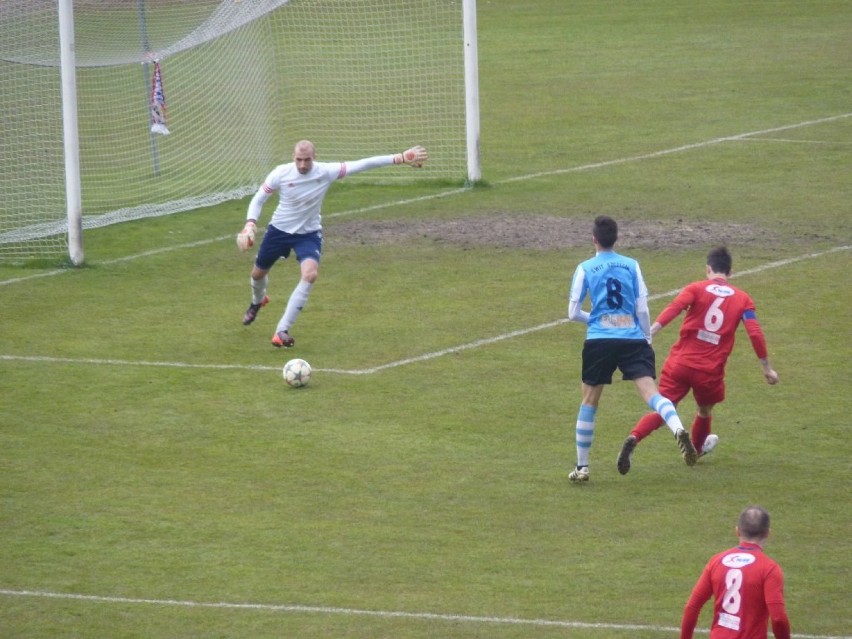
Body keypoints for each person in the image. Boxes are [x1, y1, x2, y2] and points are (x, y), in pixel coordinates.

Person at [236, 140, 428, 347]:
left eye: (307, 160)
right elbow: (258, 199)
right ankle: (258, 302)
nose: (302, 165)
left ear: (314, 157)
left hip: (308, 234)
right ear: (293, 157)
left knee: (310, 274)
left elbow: (362, 164)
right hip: (278, 232)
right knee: (257, 274)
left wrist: (399, 158)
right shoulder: (280, 173)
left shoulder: (326, 171)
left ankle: (281, 330)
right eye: (299, 160)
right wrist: (250, 225)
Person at [616, 246, 778, 475]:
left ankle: (634, 437)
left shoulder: (695, 288)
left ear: (708, 269)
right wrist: (766, 368)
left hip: (679, 363)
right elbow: (754, 332)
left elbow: (675, 308)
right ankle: (696, 451)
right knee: (704, 410)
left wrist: (650, 332)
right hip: (709, 371)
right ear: (730, 273)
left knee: (665, 408)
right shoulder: (743, 299)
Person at [566, 215, 697, 482]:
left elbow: (572, 312)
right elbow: (642, 308)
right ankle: (678, 428)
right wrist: (646, 337)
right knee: (652, 394)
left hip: (599, 340)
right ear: (617, 239)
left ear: (594, 239)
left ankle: (582, 468)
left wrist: (598, 319)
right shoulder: (632, 266)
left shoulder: (585, 268)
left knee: (589, 400)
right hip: (632, 339)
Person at [681, 505, 791, 639]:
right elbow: (778, 618)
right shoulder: (769, 568)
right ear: (767, 533)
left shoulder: (716, 561)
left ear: (737, 531)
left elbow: (692, 606)